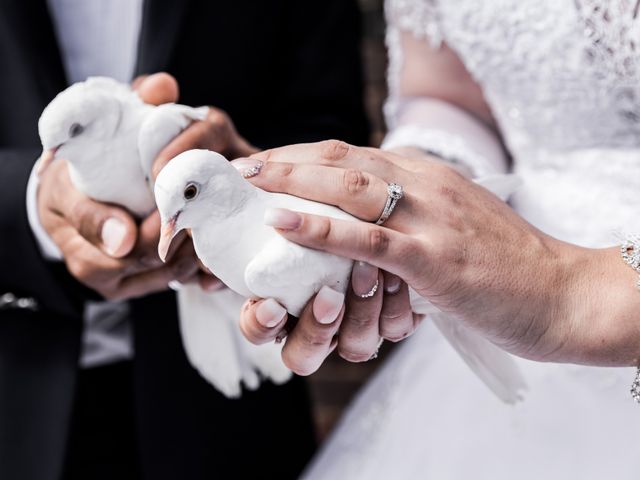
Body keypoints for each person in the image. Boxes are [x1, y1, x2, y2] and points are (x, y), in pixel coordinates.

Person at [238, 0, 640, 478]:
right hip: (502, 295)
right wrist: (410, 197)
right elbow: (452, 99)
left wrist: (569, 292)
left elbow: (567, 292)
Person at [0, 1, 368, 479]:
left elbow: (328, 119)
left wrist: (249, 189)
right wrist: (30, 208)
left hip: (227, 411)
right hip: (20, 395)